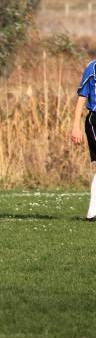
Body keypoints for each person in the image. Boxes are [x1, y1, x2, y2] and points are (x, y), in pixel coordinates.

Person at [70, 56, 96, 221]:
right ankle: (92, 213)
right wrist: (75, 126)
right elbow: (81, 98)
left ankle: (92, 213)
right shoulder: (92, 68)